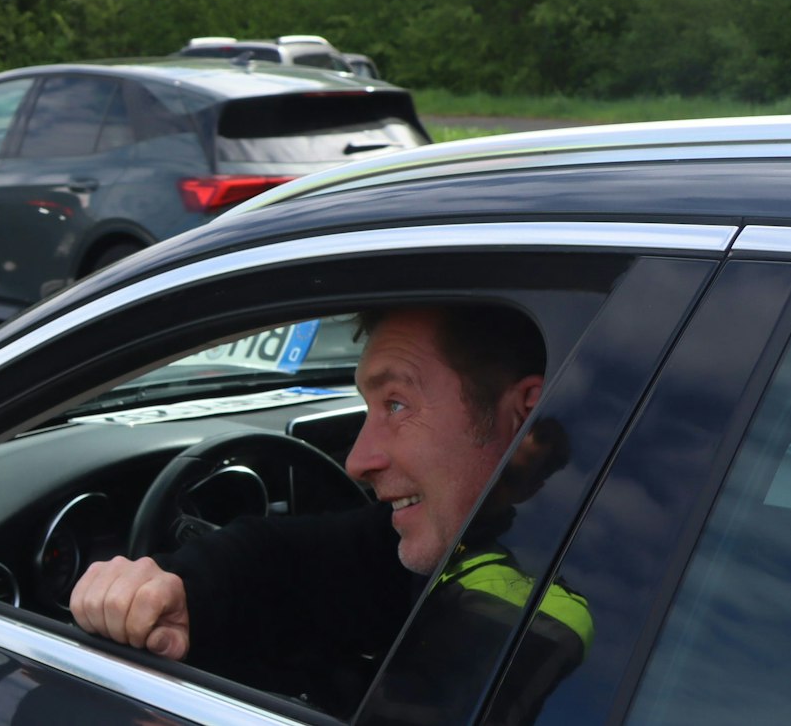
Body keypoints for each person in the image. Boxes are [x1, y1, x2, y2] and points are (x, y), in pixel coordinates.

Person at [70, 306, 591, 716]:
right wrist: (178, 590)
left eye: (396, 404)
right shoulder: (474, 535)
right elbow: (293, 557)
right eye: (369, 408)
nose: (358, 461)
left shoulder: (539, 618)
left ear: (527, 414)